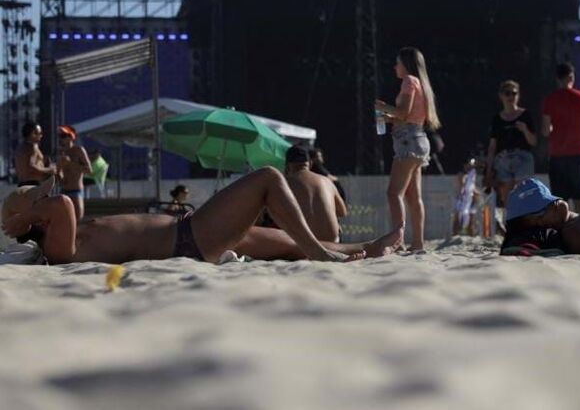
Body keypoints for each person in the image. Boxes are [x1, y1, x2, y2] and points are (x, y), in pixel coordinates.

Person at [1, 168, 403, 265]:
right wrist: (23, 217)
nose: (48, 196)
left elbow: (58, 205)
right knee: (267, 177)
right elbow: (64, 204)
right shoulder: (57, 248)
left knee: (280, 244)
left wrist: (28, 208)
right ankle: (320, 253)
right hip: (189, 239)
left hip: (191, 234)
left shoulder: (63, 233)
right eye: (36, 200)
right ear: (29, 220)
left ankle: (364, 247)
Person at [375, 46, 440, 252]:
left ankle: (398, 239)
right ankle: (418, 242)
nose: (395, 67)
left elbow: (403, 113)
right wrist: (388, 118)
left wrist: (382, 107)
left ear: (406, 64)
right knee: (414, 197)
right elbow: (409, 116)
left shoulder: (409, 81)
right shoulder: (421, 84)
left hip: (407, 141)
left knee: (394, 193)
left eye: (398, 63)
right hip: (418, 138)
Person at [542, 62, 580, 212]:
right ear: (571, 77)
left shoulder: (551, 99)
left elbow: (545, 130)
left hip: (557, 155)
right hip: (578, 153)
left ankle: (562, 231)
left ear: (557, 78)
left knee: (560, 200)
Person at [484, 80, 537, 208]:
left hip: (522, 156)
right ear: (501, 96)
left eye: (514, 93)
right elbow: (492, 146)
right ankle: (511, 223)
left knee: (523, 192)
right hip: (503, 158)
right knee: (507, 196)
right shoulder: (497, 119)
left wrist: (525, 130)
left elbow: (533, 141)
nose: (511, 97)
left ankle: (525, 223)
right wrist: (488, 169)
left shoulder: (525, 115)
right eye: (507, 93)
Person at [283, 145, 346, 242]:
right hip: (332, 241)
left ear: (287, 165)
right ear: (310, 163)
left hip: (301, 244)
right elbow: (343, 212)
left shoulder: (283, 184)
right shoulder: (327, 181)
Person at [56, 125, 91, 220]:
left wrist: (71, 163)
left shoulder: (79, 150)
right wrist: (58, 173)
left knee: (78, 219)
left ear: (71, 137)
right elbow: (58, 174)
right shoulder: (61, 152)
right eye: (59, 136)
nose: (61, 139)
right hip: (64, 190)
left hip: (76, 190)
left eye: (63, 136)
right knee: (64, 220)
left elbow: (88, 170)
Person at [14, 122, 56, 187]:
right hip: (33, 185)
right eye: (40, 133)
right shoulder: (33, 147)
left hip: (22, 184)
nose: (41, 136)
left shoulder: (20, 148)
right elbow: (31, 166)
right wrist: (49, 170)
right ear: (33, 133)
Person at [452, 158, 480, 236]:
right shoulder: (462, 174)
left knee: (471, 217)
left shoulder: (473, 173)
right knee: (459, 216)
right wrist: (462, 189)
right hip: (463, 198)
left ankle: (471, 234)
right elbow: (461, 185)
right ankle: (455, 234)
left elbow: (472, 185)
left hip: (471, 197)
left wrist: (476, 192)